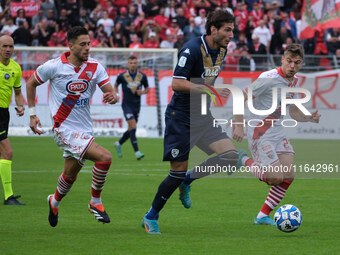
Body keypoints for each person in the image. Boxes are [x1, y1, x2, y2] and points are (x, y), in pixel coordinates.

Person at [141, 10, 243, 234]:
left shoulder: (222, 50)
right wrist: (210, 89)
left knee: (230, 157)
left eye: (232, 30)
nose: (231, 35)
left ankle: (188, 180)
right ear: (213, 29)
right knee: (175, 172)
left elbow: (205, 80)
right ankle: (151, 216)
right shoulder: (192, 49)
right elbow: (177, 84)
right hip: (181, 118)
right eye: (227, 30)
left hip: (202, 115)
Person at [26, 26, 118, 227]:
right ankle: (95, 202)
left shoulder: (95, 67)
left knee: (70, 174)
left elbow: (111, 92)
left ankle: (54, 201)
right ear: (71, 45)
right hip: (63, 129)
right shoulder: (54, 66)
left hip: (84, 129)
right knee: (105, 157)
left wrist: (113, 96)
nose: (87, 48)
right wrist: (32, 116)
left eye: (89, 44)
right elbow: (31, 83)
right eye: (83, 44)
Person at [236, 44, 321, 225]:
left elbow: (293, 112)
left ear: (301, 63)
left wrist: (309, 118)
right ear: (282, 59)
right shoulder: (267, 79)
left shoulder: (293, 81)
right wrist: (237, 125)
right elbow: (239, 97)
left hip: (278, 133)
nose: (292, 66)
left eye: (296, 63)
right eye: (289, 61)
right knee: (275, 178)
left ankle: (262, 216)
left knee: (288, 176)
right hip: (260, 134)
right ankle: (242, 160)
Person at [0, 35, 25, 206]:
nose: (8, 49)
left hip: (4, 113)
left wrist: (21, 106)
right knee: (7, 152)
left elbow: (17, 92)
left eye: (11, 46)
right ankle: (8, 196)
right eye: (4, 46)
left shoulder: (16, 68)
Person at [113, 55, 149, 160]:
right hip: (126, 105)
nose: (133, 64)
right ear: (128, 64)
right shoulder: (122, 76)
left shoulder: (142, 76)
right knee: (133, 126)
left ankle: (118, 143)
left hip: (136, 106)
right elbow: (115, 85)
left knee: (131, 129)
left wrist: (142, 92)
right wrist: (116, 95)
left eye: (134, 63)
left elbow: (147, 89)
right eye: (131, 63)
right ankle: (137, 152)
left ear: (137, 64)